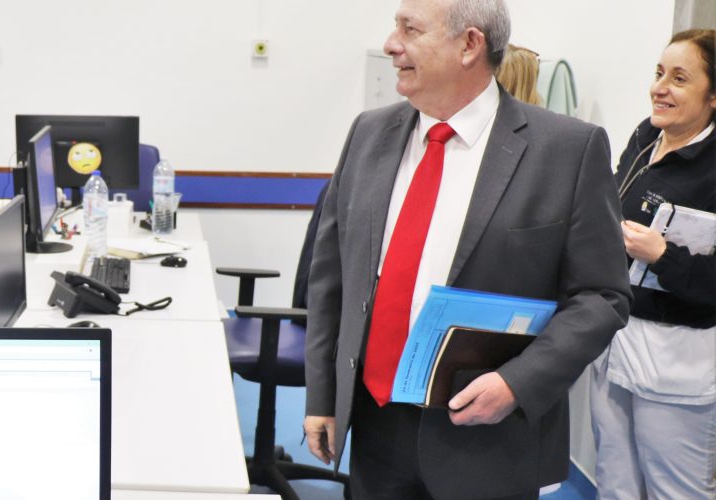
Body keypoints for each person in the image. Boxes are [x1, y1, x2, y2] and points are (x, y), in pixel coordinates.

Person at [301, 0, 632, 498]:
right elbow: (332, 277)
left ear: (469, 45)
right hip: (375, 423)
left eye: (410, 30)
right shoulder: (368, 134)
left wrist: (518, 382)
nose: (391, 45)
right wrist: (323, 396)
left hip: (489, 436)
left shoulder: (566, 150)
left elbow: (602, 297)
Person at [591, 28, 716, 500]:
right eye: (659, 73)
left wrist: (663, 255)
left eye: (679, 78)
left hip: (676, 357)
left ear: (713, 96)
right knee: (616, 482)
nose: (659, 88)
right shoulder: (647, 136)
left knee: (675, 490)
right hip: (615, 338)